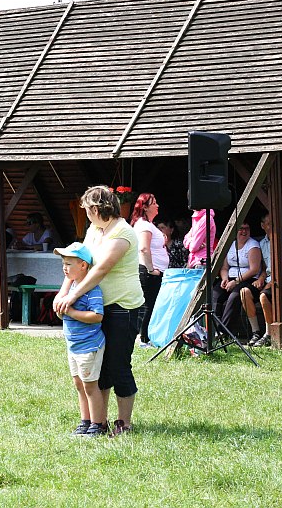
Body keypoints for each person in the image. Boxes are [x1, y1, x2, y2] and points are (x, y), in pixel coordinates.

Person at [54, 186, 143, 437]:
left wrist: (73, 296)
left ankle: (124, 423)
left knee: (118, 365)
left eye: (87, 210)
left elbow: (100, 269)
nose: (86, 216)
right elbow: (79, 263)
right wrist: (64, 291)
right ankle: (98, 422)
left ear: (96, 209)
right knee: (99, 367)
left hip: (123, 307)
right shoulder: (93, 230)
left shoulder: (124, 232)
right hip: (97, 305)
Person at [53, 242, 106, 437]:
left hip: (88, 346)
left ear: (83, 265)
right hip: (73, 346)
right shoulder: (71, 287)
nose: (64, 268)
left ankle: (97, 424)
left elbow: (97, 316)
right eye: (63, 264)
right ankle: (85, 421)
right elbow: (63, 312)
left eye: (68, 264)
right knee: (79, 384)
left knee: (90, 386)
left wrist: (72, 312)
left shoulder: (92, 290)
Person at [246, 212, 282, 347]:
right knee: (245, 292)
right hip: (268, 280)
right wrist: (261, 279)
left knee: (263, 296)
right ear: (262, 226)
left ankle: (269, 334)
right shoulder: (262, 243)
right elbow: (263, 268)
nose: (272, 227)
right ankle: (255, 332)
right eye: (268, 224)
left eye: (274, 224)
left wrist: (268, 284)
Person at [130, 193, 168, 347]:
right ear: (145, 207)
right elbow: (144, 249)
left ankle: (147, 336)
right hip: (149, 272)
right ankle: (144, 339)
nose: (157, 205)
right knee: (148, 305)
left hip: (153, 271)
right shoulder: (144, 225)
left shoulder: (148, 225)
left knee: (150, 304)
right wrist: (151, 269)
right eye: (154, 203)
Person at [214, 222, 262, 335]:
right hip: (230, 277)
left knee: (234, 297)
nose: (244, 231)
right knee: (215, 295)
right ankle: (214, 330)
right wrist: (225, 279)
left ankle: (224, 332)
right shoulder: (230, 244)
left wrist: (235, 282)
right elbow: (224, 267)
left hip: (247, 279)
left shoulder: (253, 245)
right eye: (241, 229)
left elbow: (254, 269)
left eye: (247, 228)